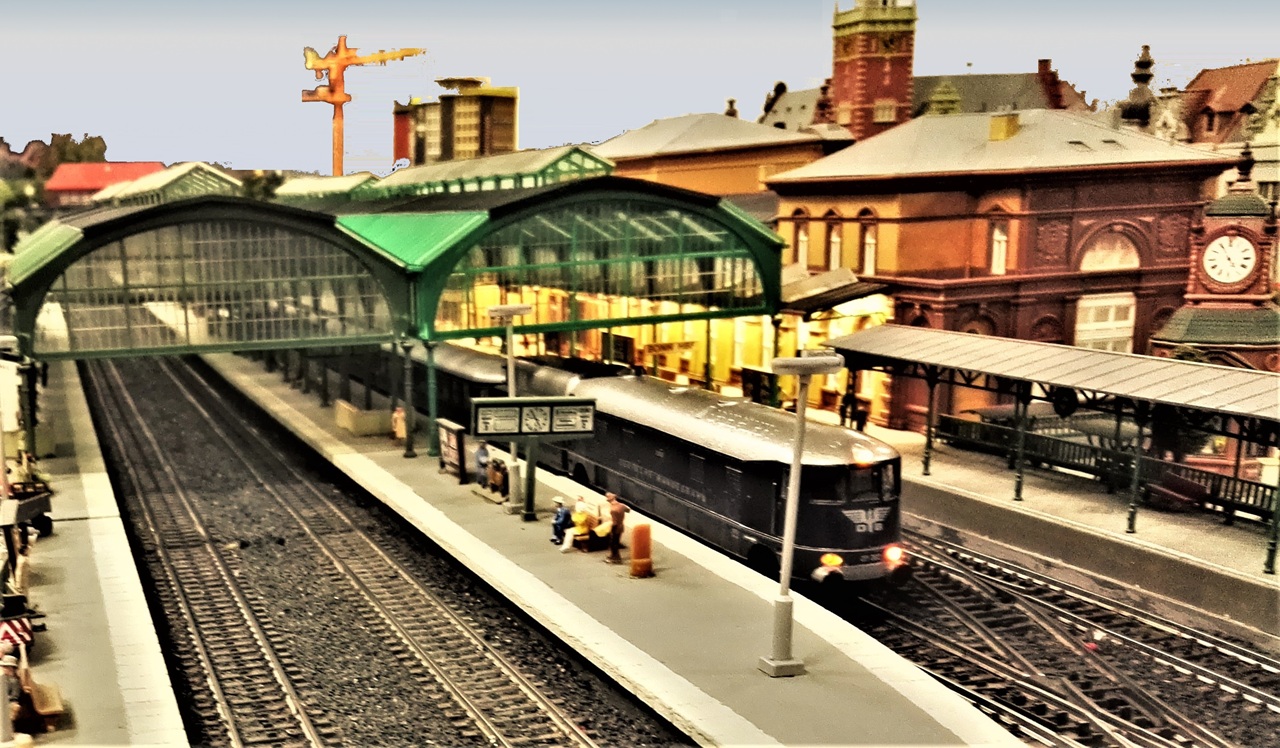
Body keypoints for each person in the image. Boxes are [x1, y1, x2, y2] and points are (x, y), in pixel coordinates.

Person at [604, 492, 630, 564]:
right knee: (616, 542)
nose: (606, 499)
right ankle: (614, 556)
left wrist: (611, 529)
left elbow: (615, 522)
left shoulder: (613, 509)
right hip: (621, 526)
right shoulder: (621, 505)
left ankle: (616, 558)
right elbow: (628, 510)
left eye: (607, 497)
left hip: (616, 528)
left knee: (613, 544)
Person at [1, 653, 19, 727]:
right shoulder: (2, 678)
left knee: (14, 707)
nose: (3, 669)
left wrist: (4, 698)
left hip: (8, 702)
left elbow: (14, 696)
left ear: (11, 668)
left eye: (5, 667)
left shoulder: (14, 681)